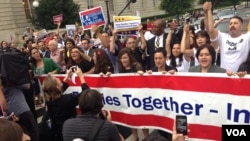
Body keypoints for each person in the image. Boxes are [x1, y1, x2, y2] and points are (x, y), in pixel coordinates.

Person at [42, 67, 89, 141]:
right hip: (71, 132)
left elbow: (57, 91)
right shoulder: (67, 100)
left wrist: (66, 77)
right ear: (57, 86)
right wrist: (81, 77)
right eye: (57, 79)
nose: (59, 79)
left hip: (58, 132)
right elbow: (86, 94)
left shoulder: (49, 99)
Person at [204, 1, 250, 72]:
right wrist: (207, 12)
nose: (232, 25)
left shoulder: (247, 37)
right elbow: (210, 30)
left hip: (241, 76)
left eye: (235, 23)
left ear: (241, 26)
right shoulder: (223, 37)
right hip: (225, 76)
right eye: (230, 23)